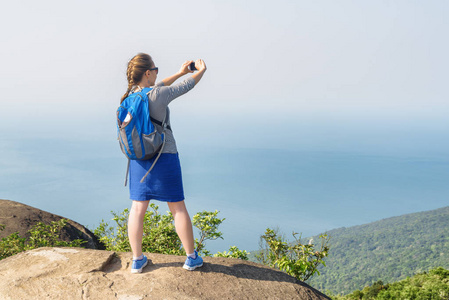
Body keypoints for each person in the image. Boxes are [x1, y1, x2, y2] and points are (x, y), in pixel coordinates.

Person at [120, 53, 207, 273]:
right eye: (155, 69)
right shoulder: (158, 95)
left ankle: (137, 260)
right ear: (147, 72)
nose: (158, 73)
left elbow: (158, 87)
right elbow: (184, 87)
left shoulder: (129, 97)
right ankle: (191, 257)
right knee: (177, 208)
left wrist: (179, 72)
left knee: (137, 208)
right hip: (163, 155)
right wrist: (201, 71)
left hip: (139, 160)